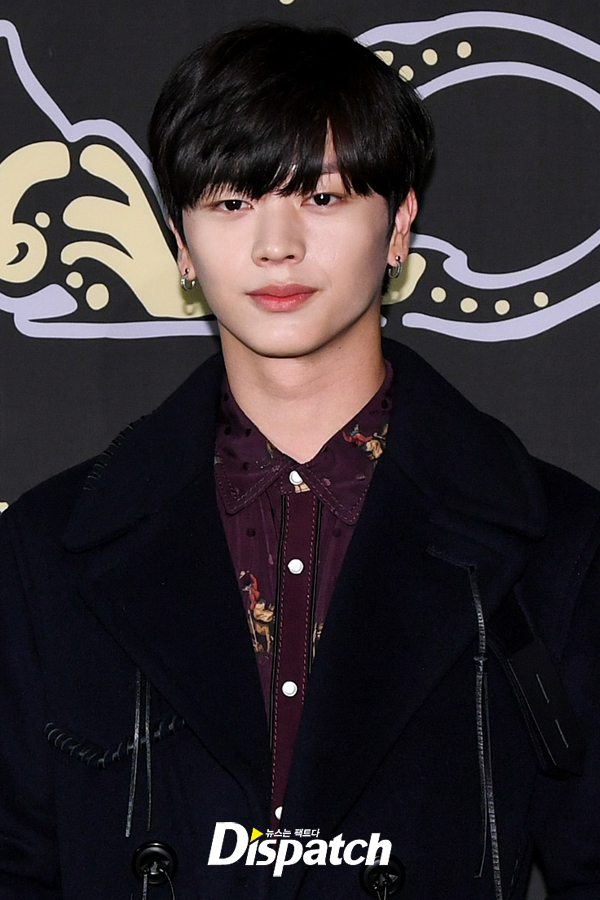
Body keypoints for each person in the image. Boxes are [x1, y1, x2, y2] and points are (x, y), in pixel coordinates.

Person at [1, 21, 599, 900]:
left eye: (321, 197)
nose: (275, 244)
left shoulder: (557, 546)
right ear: (180, 240)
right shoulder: (47, 550)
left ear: (398, 226)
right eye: (231, 203)